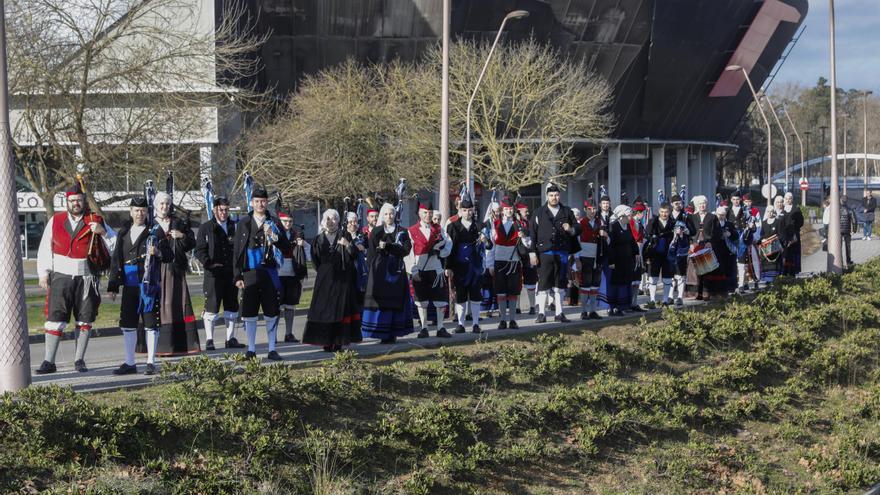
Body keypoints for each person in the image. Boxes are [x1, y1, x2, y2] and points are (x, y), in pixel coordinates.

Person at [35, 183, 116, 374]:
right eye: (72, 200)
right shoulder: (56, 220)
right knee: (55, 317)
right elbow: (45, 248)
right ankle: (49, 361)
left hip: (87, 276)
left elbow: (114, 246)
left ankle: (79, 359)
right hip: (61, 276)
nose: (76, 203)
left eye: (79, 200)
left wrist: (102, 232)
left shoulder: (95, 220)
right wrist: (43, 273)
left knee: (85, 318)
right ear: (67, 202)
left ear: (83, 201)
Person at [107, 196, 165, 375]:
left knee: (150, 323)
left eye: (143, 211)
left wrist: (158, 251)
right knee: (128, 324)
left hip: (148, 285)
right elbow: (116, 259)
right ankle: (130, 362)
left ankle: (150, 362)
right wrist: (113, 284)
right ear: (130, 211)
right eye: (136, 210)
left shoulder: (155, 231)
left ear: (147, 212)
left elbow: (169, 255)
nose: (140, 214)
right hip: (130, 285)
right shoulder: (123, 232)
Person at [232, 186, 290, 360]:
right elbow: (237, 251)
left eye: (263, 201)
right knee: (249, 313)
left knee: (271, 311)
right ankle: (251, 349)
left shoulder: (274, 221)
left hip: (269, 272)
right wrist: (237, 276)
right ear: (252, 202)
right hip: (249, 272)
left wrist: (274, 236)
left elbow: (286, 247)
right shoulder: (243, 222)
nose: (260, 204)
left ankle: (272, 348)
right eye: (257, 201)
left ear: (267, 202)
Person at [302, 209, 363, 351]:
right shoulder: (318, 238)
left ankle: (338, 341)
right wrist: (324, 271)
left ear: (338, 220)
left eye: (334, 218)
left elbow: (354, 255)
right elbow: (315, 260)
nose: (331, 221)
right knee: (325, 310)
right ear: (324, 221)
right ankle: (326, 341)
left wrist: (347, 245)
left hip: (342, 279)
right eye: (328, 219)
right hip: (324, 280)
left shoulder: (345, 234)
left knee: (340, 311)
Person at [152, 192, 200, 357]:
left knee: (177, 304)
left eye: (167, 204)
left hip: (176, 269)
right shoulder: (150, 223)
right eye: (161, 204)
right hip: (155, 271)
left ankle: (181, 344)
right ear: (156, 205)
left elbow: (192, 243)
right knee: (160, 305)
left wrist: (182, 236)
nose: (164, 207)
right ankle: (159, 345)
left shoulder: (178, 223)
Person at [194, 195, 245, 350]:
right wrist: (208, 263)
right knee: (211, 307)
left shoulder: (234, 226)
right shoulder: (206, 228)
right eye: (220, 209)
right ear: (214, 209)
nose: (223, 212)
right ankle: (209, 340)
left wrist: (239, 270)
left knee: (231, 307)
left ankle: (230, 339)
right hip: (213, 274)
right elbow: (199, 250)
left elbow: (240, 249)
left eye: (226, 210)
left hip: (231, 273)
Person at [361, 203, 414, 344]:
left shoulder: (402, 231)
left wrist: (390, 247)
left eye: (391, 213)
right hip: (380, 271)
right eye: (386, 214)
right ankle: (382, 332)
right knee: (382, 301)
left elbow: (406, 250)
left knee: (395, 300)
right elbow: (371, 254)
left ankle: (394, 332)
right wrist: (370, 273)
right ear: (382, 216)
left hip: (396, 270)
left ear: (395, 214)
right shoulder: (377, 231)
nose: (389, 216)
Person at [528, 183, 580, 323]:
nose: (554, 198)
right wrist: (532, 253)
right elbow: (532, 233)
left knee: (560, 284)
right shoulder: (538, 212)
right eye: (551, 195)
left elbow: (577, 227)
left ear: (559, 195)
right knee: (544, 284)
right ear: (547, 196)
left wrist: (570, 229)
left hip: (562, 252)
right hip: (544, 252)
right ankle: (541, 314)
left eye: (556, 195)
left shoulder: (567, 211)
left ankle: (559, 313)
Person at [408, 198, 452, 338]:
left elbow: (449, 244)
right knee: (421, 300)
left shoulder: (439, 229)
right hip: (419, 268)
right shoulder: (412, 230)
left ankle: (440, 327)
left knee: (440, 299)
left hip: (436, 269)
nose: (428, 215)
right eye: (425, 212)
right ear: (420, 213)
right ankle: (424, 327)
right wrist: (413, 270)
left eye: (430, 212)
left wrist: (440, 252)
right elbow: (409, 253)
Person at [447, 195, 491, 333]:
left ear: (473, 210)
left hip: (476, 266)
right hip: (459, 266)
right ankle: (460, 324)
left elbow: (490, 246)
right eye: (465, 210)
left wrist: (485, 241)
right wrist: (448, 267)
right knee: (460, 295)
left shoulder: (480, 226)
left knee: (475, 295)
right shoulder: (453, 226)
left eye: (470, 210)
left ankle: (476, 323)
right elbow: (449, 248)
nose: (467, 213)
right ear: (460, 210)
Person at [490, 197, 529, 329]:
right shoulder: (495, 224)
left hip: (514, 261)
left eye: (510, 209)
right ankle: (502, 320)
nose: (509, 211)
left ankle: (512, 319)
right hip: (499, 260)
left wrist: (523, 237)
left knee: (513, 291)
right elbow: (491, 246)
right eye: (506, 209)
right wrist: (490, 264)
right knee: (500, 291)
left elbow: (528, 244)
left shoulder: (520, 224)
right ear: (502, 210)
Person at [277, 210, 308, 343]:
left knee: (290, 305)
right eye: (285, 221)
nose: (288, 223)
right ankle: (273, 334)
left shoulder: (297, 235)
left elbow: (306, 254)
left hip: (293, 273)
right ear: (280, 221)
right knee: (276, 306)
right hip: (278, 273)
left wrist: (303, 244)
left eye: (290, 221)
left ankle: (288, 333)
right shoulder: (276, 233)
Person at [606, 205, 639, 316]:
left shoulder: (627, 226)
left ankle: (623, 306)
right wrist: (611, 261)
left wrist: (636, 252)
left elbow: (632, 241)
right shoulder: (613, 227)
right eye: (629, 215)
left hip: (627, 260)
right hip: (617, 260)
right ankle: (613, 307)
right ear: (622, 216)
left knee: (625, 282)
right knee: (616, 283)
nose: (630, 217)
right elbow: (610, 246)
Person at [576, 200, 604, 319]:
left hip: (596, 257)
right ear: (585, 209)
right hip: (585, 256)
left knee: (595, 285)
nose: (592, 211)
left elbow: (604, 240)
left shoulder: (599, 222)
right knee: (585, 284)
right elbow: (576, 242)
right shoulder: (580, 223)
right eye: (589, 209)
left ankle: (593, 310)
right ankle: (583, 311)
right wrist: (577, 259)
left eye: (594, 209)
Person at [645, 202, 676, 308]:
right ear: (659, 211)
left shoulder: (673, 222)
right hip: (655, 253)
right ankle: (652, 300)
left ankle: (665, 300)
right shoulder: (653, 221)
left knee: (667, 278)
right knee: (653, 277)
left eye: (666, 212)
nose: (664, 214)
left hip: (668, 253)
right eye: (662, 212)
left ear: (669, 212)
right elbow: (648, 235)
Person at [516, 201, 537, 314]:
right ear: (518, 212)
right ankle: (517, 307)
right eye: (526, 211)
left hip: (529, 255)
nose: (528, 213)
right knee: (517, 282)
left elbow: (533, 239)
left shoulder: (529, 223)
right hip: (518, 256)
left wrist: (534, 255)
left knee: (531, 281)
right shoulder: (515, 223)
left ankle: (532, 306)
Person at [480, 201, 501, 317]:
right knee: (486, 285)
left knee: (496, 285)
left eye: (499, 212)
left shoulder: (500, 222)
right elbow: (486, 243)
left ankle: (495, 307)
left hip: (498, 256)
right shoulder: (486, 225)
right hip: (488, 258)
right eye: (495, 212)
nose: (497, 214)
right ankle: (485, 308)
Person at [628, 202, 647, 312]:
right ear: (639, 212)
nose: (644, 215)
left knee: (636, 279)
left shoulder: (638, 223)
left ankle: (634, 302)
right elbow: (634, 237)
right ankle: (629, 303)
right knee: (632, 279)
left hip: (639, 250)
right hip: (632, 252)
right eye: (643, 212)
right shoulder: (631, 222)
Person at [347, 211, 369, 305]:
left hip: (361, 272)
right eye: (350, 222)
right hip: (348, 272)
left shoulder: (363, 236)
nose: (353, 224)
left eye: (355, 221)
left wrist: (364, 250)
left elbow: (368, 251)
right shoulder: (343, 236)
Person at [782, 192, 804, 276]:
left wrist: (794, 229)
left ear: (792, 199)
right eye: (786, 198)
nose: (788, 200)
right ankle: (784, 272)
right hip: (784, 236)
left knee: (793, 254)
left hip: (794, 236)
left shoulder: (796, 209)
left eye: (790, 198)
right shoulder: (782, 209)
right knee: (784, 254)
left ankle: (793, 272)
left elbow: (801, 222)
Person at [839, 195, 857, 267]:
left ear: (840, 200)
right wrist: (854, 230)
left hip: (838, 231)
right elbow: (854, 220)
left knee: (838, 247)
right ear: (847, 201)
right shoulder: (850, 209)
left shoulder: (837, 209)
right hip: (847, 230)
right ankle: (848, 261)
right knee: (848, 246)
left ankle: (840, 262)